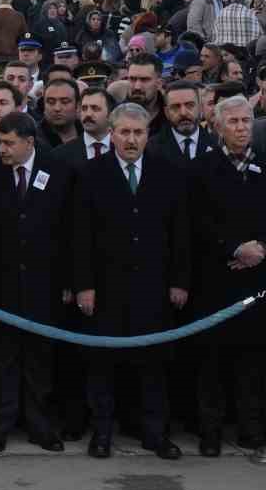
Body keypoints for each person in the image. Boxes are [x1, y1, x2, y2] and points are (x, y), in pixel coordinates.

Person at [73, 102, 190, 460]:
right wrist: (84, 285)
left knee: (153, 366)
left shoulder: (168, 172)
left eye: (138, 132)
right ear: (112, 134)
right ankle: (103, 433)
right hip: (106, 288)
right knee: (103, 365)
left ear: (147, 135)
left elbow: (181, 232)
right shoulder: (90, 174)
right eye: (124, 132)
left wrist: (179, 281)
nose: (131, 139)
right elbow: (80, 236)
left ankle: (155, 433)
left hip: (154, 288)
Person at [188, 95, 266, 455]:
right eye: (232, 122)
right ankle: (210, 431)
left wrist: (261, 248)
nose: (240, 128)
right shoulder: (201, 169)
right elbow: (196, 221)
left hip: (259, 281)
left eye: (246, 121)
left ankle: (252, 428)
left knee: (254, 360)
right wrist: (233, 248)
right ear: (217, 126)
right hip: (217, 280)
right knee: (211, 361)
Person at [0, 112, 69, 452]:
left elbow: (68, 229)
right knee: (2, 358)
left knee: (40, 357)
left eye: (9, 143)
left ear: (30, 142)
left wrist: (69, 281)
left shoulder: (58, 172)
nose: (3, 149)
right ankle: (1, 423)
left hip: (45, 282)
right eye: (0, 142)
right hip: (1, 283)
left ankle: (39, 424)